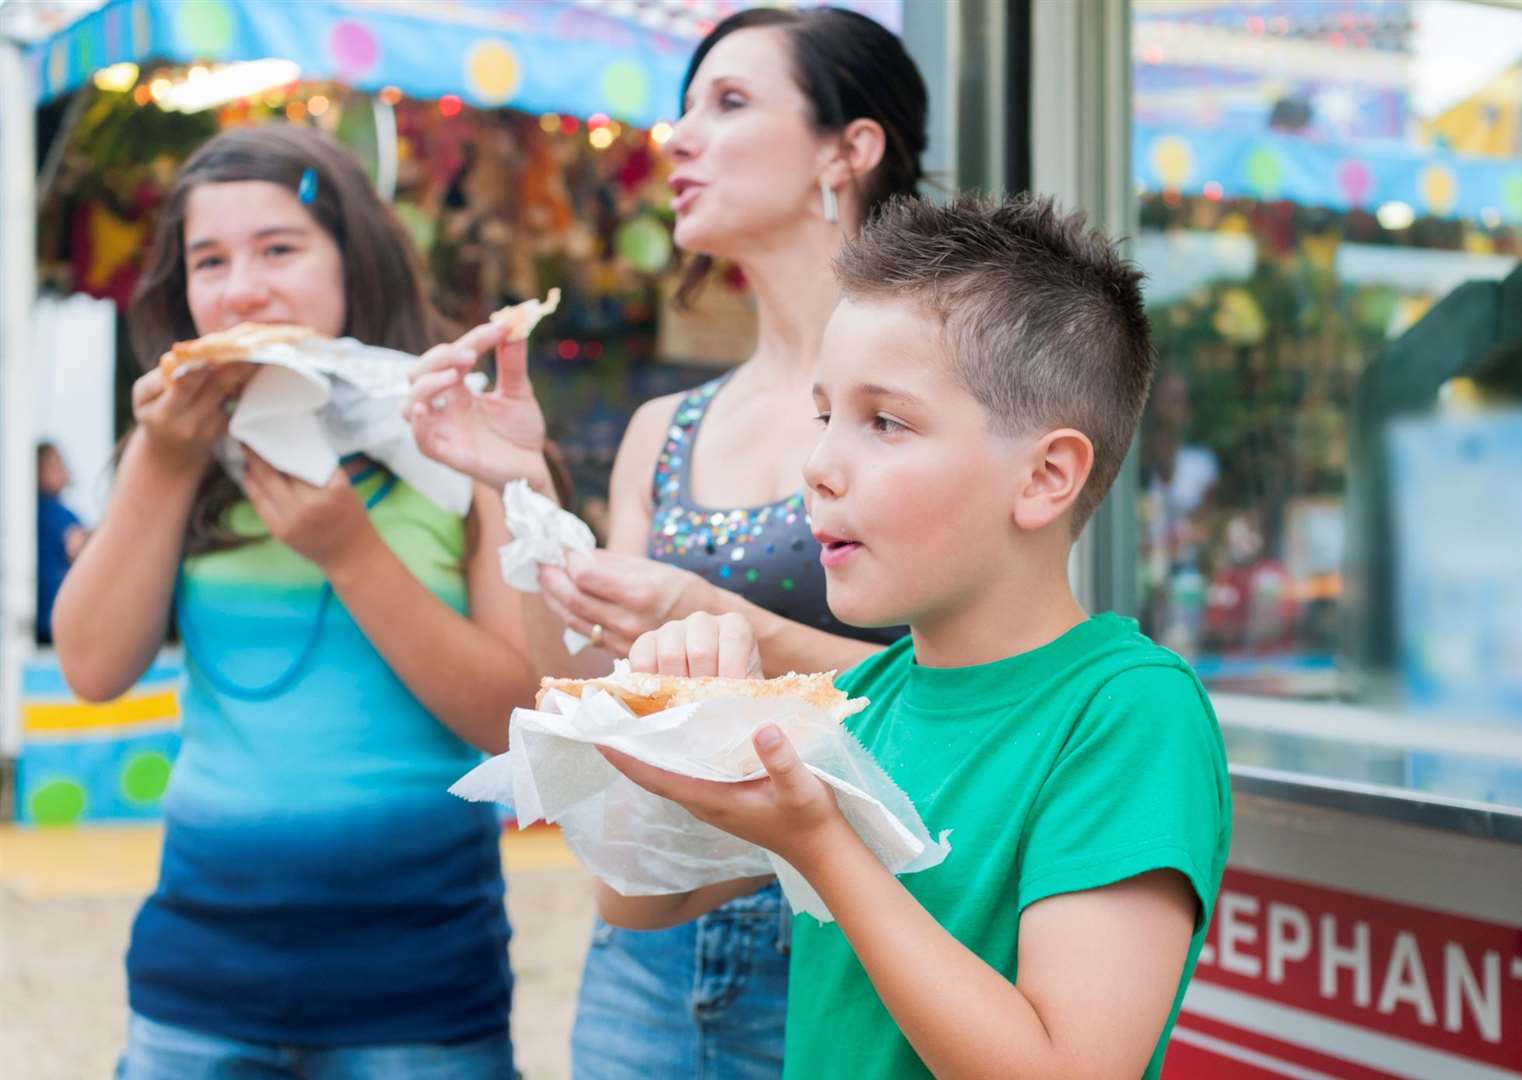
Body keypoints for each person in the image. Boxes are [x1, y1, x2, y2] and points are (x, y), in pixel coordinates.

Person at [597, 194, 1233, 1079]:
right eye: (825, 416)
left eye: (885, 422)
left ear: (1046, 476)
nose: (817, 467)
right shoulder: (866, 700)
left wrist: (822, 844)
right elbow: (636, 896)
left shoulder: (1127, 711)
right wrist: (675, 717)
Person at [405, 8, 929, 1077]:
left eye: (727, 104)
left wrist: (729, 626)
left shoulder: (929, 401)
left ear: (850, 148)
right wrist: (523, 486)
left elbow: (982, 692)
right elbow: (585, 693)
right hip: (644, 936)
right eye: (682, 107)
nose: (677, 137)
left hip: (850, 931)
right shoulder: (666, 428)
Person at [51, 125, 539, 1079]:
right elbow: (92, 668)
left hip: (421, 980)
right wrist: (164, 454)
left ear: (351, 261)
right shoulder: (177, 451)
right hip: (200, 976)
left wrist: (350, 553)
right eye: (210, 260)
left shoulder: (460, 445)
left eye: (279, 250)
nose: (241, 289)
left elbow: (517, 720)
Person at [35, 441, 88, 645]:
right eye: (56, 465)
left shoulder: (24, 515)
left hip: (38, 620)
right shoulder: (62, 517)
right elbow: (81, 553)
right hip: (57, 619)